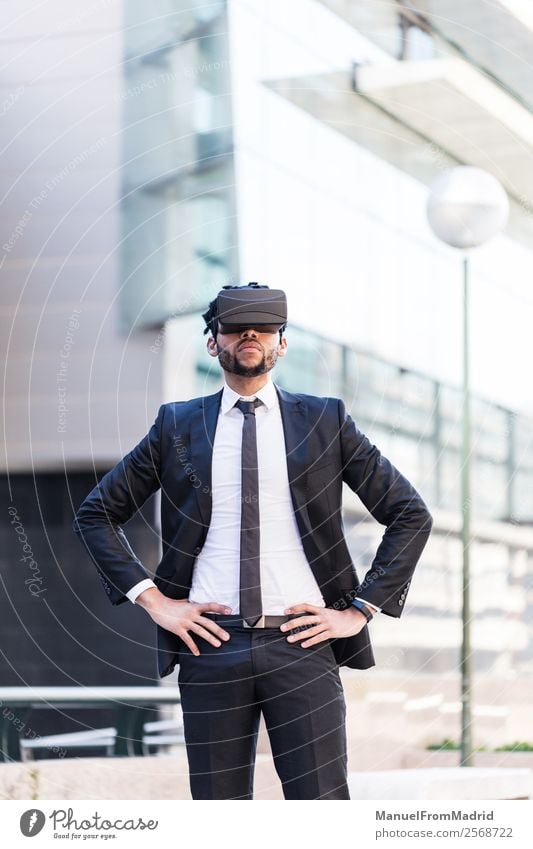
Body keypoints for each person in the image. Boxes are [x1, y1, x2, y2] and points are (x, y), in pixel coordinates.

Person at [73, 282, 433, 800]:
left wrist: (358, 611)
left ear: (281, 343)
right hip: (209, 644)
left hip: (303, 643)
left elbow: (409, 512)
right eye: (235, 327)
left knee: (321, 810)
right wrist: (155, 603)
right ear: (212, 343)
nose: (250, 334)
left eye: (264, 327)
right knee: (221, 818)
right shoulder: (177, 425)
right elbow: (97, 513)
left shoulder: (325, 420)